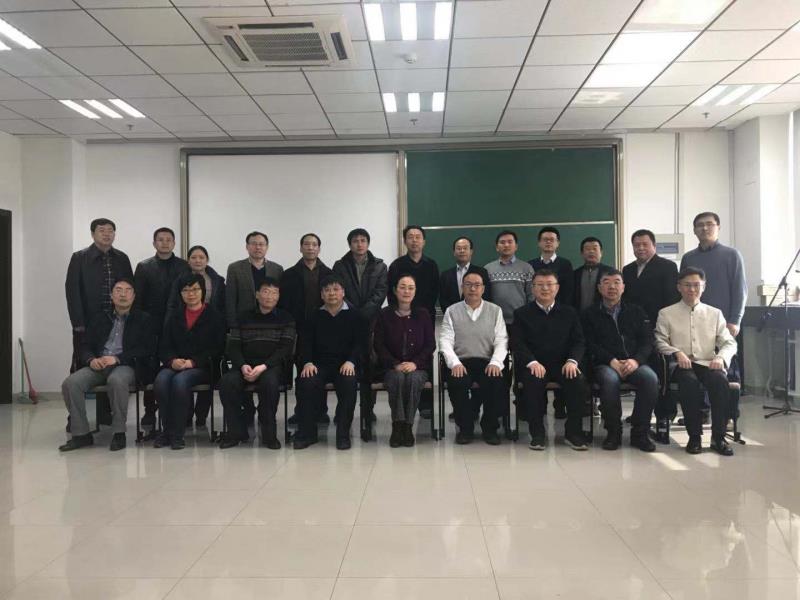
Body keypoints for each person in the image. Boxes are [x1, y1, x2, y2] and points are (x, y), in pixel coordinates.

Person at [59, 278, 154, 452]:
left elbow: (146, 349)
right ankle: (81, 434)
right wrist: (91, 360)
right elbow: (85, 345)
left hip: (127, 365)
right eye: (118, 290)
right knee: (71, 383)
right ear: (111, 295)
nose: (123, 294)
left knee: (117, 381)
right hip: (99, 364)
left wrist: (117, 358)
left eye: (127, 290)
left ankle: (119, 433)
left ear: (134, 296)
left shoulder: (143, 319)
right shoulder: (99, 318)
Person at [654, 267, 738, 456]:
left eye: (696, 285)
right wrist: (676, 352)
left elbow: (729, 342)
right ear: (679, 287)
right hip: (682, 365)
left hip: (709, 363)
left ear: (703, 287)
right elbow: (659, 341)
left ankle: (718, 437)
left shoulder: (715, 313)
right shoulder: (666, 313)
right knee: (688, 382)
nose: (692, 289)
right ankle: (694, 437)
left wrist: (721, 357)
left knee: (720, 381)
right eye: (687, 285)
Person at [512, 269, 590, 451]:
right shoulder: (522, 313)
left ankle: (573, 433)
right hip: (535, 364)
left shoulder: (569, 312)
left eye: (549, 284)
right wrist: (532, 362)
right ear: (533, 288)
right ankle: (537, 434)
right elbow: (517, 343)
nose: (545, 288)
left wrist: (572, 361)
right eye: (540, 285)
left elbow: (579, 341)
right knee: (532, 382)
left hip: (563, 364)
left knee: (578, 381)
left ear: (557, 288)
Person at [581, 270, 657, 452]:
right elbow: (589, 343)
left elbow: (648, 341)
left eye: (616, 282)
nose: (612, 286)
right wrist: (611, 360)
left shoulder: (636, 311)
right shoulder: (589, 314)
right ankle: (613, 432)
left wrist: (636, 361)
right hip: (605, 363)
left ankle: (640, 433)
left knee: (650, 379)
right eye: (606, 282)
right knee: (609, 380)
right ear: (599, 288)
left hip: (634, 362)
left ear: (623, 287)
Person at [218, 278, 296, 450]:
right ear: (257, 295)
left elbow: (285, 349)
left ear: (278, 297)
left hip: (271, 366)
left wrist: (264, 366)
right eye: (266, 292)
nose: (269, 296)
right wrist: (242, 365)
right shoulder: (243, 317)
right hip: (245, 365)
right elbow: (234, 346)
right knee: (227, 382)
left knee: (269, 382)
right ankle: (235, 432)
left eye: (274, 293)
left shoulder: (286, 318)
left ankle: (269, 435)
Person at [152, 273, 225, 450]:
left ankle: (177, 435)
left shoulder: (214, 316)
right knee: (161, 381)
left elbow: (218, 348)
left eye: (195, 289)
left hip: (203, 367)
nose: (190, 294)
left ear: (203, 291)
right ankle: (167, 431)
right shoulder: (174, 316)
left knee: (180, 381)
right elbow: (164, 345)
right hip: (176, 364)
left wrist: (193, 362)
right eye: (185, 290)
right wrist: (172, 360)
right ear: (180, 294)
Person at [293, 275, 363, 450]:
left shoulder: (355, 315)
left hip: (344, 365)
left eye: (336, 289)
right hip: (319, 365)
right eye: (327, 290)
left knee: (349, 382)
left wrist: (351, 361)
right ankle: (308, 434)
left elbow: (360, 344)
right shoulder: (313, 316)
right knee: (306, 382)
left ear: (343, 292)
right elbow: (305, 343)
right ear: (322, 294)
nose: (332, 293)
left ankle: (343, 435)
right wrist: (307, 362)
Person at [440, 272, 507, 445]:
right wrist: (454, 363)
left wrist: (495, 362)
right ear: (462, 288)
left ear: (483, 288)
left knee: (496, 382)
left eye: (477, 285)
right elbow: (445, 340)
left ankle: (490, 428)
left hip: (487, 361)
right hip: (461, 361)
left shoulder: (495, 310)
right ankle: (465, 428)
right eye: (468, 284)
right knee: (457, 382)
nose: (472, 288)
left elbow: (501, 340)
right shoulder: (452, 310)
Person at [134, 227, 190, 430]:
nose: (165, 243)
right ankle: (150, 410)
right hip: (151, 326)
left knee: (176, 366)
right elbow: (138, 300)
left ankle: (180, 411)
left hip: (177, 325)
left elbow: (188, 295)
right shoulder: (144, 267)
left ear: (174, 243)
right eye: (160, 239)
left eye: (168, 240)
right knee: (150, 369)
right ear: (154, 243)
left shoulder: (184, 266)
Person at [166, 244, 226, 429]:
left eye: (201, 257)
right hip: (183, 333)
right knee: (172, 380)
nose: (198, 260)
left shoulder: (217, 280)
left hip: (207, 332)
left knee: (197, 373)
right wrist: (173, 359)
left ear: (207, 260)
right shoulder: (180, 281)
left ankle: (200, 416)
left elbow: (223, 305)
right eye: (193, 257)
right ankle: (181, 419)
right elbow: (172, 304)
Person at [332, 228, 388, 425]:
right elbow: (339, 291)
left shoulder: (380, 266)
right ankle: (342, 409)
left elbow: (381, 292)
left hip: (372, 321)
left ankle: (368, 409)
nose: (359, 244)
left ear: (368, 243)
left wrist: (365, 312)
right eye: (355, 241)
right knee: (345, 364)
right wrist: (355, 312)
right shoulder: (340, 266)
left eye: (363, 240)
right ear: (350, 244)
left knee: (369, 364)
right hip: (347, 320)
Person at [65, 218, 133, 372]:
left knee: (115, 361)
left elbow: (129, 287)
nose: (106, 234)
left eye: (110, 231)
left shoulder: (122, 258)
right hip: (88, 320)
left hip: (116, 320)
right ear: (92, 234)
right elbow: (72, 293)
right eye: (102, 230)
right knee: (84, 362)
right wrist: (78, 323)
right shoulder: (79, 258)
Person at [374, 274, 435, 447]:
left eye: (410, 288)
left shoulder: (423, 314)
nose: (406, 291)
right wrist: (395, 364)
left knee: (414, 379)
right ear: (395, 290)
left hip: (418, 367)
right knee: (397, 378)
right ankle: (397, 425)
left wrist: (415, 363)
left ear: (415, 291)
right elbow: (378, 345)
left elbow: (430, 345)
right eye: (402, 287)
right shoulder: (384, 314)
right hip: (391, 367)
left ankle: (407, 426)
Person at [279, 233, 332, 425]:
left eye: (314, 244)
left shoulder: (329, 273)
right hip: (297, 329)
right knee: (302, 371)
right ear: (300, 248)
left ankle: (321, 411)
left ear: (319, 248)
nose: (310, 248)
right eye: (307, 244)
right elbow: (283, 304)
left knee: (320, 368)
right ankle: (301, 411)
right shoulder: (289, 274)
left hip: (323, 329)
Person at [680, 212, 747, 339]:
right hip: (694, 321)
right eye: (700, 225)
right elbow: (682, 290)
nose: (705, 228)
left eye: (709, 224)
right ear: (694, 230)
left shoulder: (732, 255)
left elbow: (740, 290)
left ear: (718, 227)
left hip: (724, 323)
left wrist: (735, 320)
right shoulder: (688, 258)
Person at [226, 231, 283, 329]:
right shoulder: (235, 268)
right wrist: (232, 323)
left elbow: (279, 297)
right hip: (243, 321)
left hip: (271, 321)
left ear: (267, 247)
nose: (258, 247)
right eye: (254, 244)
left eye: (261, 244)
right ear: (247, 247)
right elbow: (230, 298)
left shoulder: (277, 269)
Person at [622, 229, 679, 324]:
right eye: (637, 245)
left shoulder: (668, 266)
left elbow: (672, 298)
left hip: (658, 321)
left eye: (645, 244)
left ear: (654, 246)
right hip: (632, 322)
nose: (641, 248)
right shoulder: (627, 269)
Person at [485, 229, 534, 325]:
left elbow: (532, 296)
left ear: (516, 246)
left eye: (510, 242)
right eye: (502, 242)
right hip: (495, 321)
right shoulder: (488, 269)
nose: (506, 245)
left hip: (520, 320)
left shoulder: (526, 268)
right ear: (497, 247)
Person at [439, 236, 490, 313]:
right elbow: (443, 300)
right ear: (454, 252)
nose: (462, 251)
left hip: (476, 316)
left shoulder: (481, 272)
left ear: (471, 251)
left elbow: (486, 297)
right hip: (452, 317)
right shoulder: (445, 275)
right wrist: (453, 315)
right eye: (459, 248)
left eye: (465, 248)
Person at [528, 226, 574, 306]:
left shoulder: (565, 264)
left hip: (559, 309)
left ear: (557, 243)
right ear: (539, 243)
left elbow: (568, 291)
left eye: (552, 240)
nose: (548, 242)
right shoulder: (530, 265)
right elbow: (529, 291)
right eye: (545, 239)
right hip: (535, 308)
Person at [573, 236, 613, 311]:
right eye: (587, 249)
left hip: (602, 315)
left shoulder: (610, 272)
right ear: (582, 253)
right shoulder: (575, 274)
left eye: (595, 249)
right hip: (578, 315)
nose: (591, 251)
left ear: (601, 253)